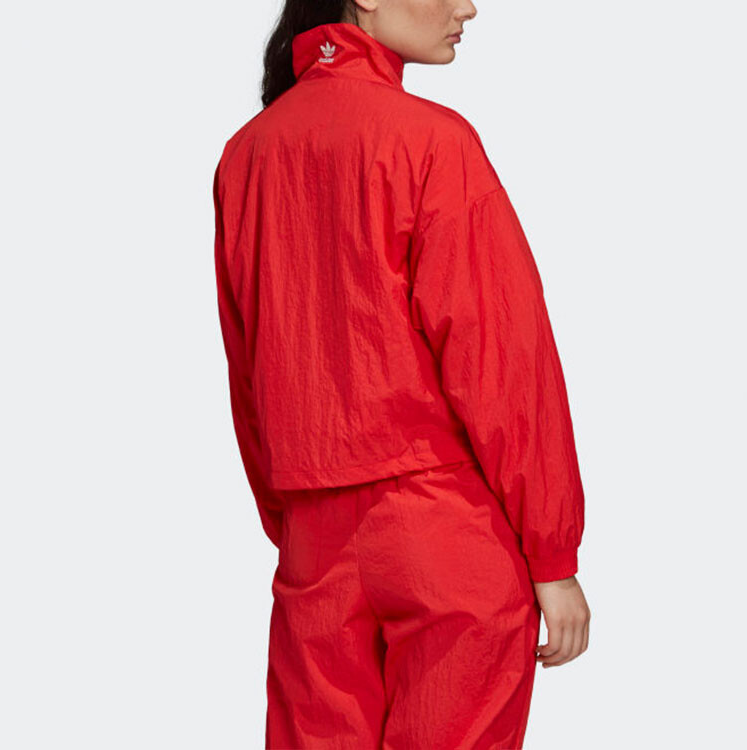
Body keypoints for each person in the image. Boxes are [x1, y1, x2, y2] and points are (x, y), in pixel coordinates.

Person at [213, 1, 591, 747]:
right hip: (445, 533)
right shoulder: (431, 141)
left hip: (314, 539)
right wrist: (552, 555)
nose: (466, 6)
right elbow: (501, 358)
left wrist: (294, 519)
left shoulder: (246, 154)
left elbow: (249, 364)